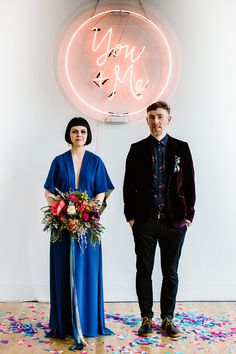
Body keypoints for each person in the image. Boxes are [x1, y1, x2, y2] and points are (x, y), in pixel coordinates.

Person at [123, 101, 195, 338]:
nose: (156, 121)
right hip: (145, 221)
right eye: (152, 117)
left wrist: (189, 216)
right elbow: (128, 186)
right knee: (144, 270)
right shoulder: (137, 149)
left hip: (174, 222)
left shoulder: (181, 149)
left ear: (168, 119)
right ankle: (146, 318)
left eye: (160, 117)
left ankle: (167, 319)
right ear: (146, 120)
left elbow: (190, 184)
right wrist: (131, 217)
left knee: (170, 272)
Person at [44, 117, 114, 350]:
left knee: (87, 273)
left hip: (87, 228)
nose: (79, 134)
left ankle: (88, 323)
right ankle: (64, 325)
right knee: (64, 271)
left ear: (88, 135)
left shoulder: (96, 162)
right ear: (69, 134)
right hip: (62, 228)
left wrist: (87, 210)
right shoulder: (58, 161)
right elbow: (48, 192)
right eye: (74, 131)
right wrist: (62, 210)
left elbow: (101, 193)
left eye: (83, 131)